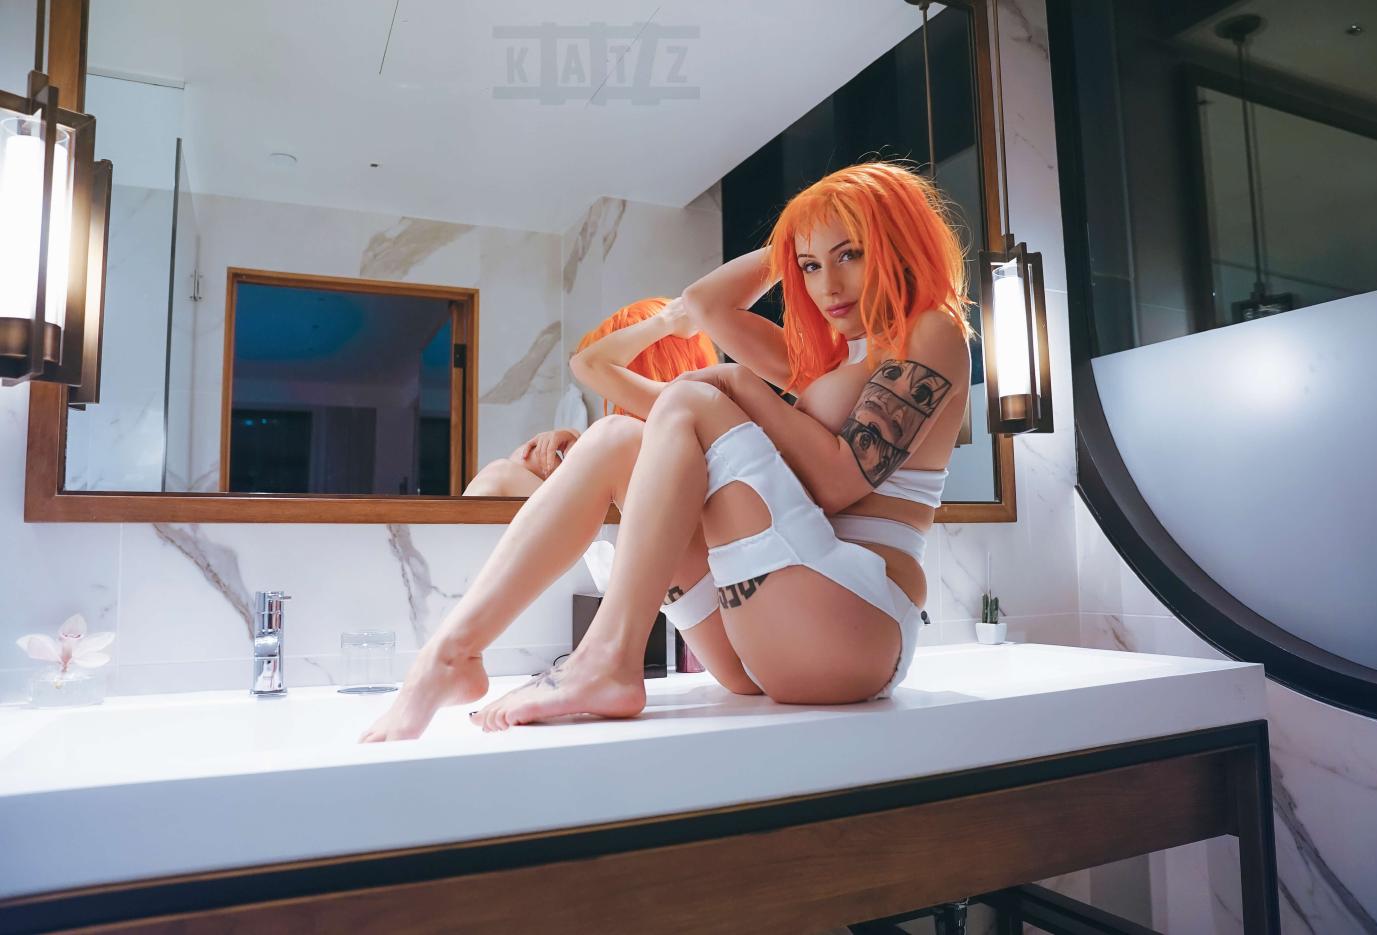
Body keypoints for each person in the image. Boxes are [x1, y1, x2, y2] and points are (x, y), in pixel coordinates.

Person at [360, 161, 972, 740]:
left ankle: (606, 659)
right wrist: (798, 236)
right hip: (768, 636)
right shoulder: (824, 365)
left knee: (688, 398)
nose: (826, 285)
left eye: (851, 255)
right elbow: (705, 305)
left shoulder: (930, 330)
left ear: (896, 245)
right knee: (616, 439)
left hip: (855, 624)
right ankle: (451, 654)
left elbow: (841, 481)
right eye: (810, 266)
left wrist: (734, 383)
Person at [460, 298, 718, 497]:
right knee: (521, 461)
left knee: (500, 475)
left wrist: (666, 321)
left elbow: (586, 363)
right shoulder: (694, 409)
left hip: (633, 533)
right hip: (630, 527)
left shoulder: (680, 408)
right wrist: (577, 445)